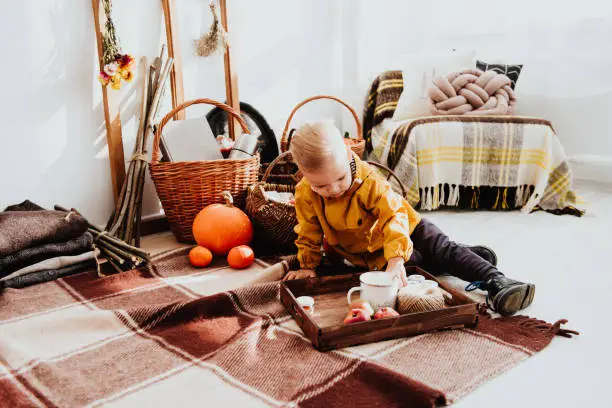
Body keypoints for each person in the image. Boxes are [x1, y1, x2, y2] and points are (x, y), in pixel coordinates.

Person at [283, 120, 535, 316]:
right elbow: (308, 230)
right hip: (372, 253)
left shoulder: (368, 181)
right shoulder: (305, 193)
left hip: (408, 227)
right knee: (417, 271)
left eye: (339, 179)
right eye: (322, 186)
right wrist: (308, 265)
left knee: (441, 249)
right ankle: (466, 256)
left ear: (349, 155)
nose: (334, 189)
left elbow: (393, 216)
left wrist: (395, 258)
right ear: (304, 174)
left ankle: (497, 281)